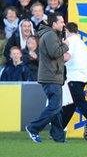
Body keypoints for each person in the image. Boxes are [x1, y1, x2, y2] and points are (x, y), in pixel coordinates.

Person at [25, 13, 69, 143]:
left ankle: (58, 137)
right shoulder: (50, 35)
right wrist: (65, 45)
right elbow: (54, 53)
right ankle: (33, 128)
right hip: (51, 76)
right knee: (55, 107)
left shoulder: (51, 34)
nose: (63, 24)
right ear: (54, 24)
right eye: (61, 22)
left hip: (51, 75)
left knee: (56, 108)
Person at [59, 22, 87, 132]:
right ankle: (58, 130)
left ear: (66, 31)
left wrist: (55, 55)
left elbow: (66, 57)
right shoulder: (83, 44)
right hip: (83, 78)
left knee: (81, 104)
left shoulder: (69, 41)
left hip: (74, 77)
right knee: (71, 105)